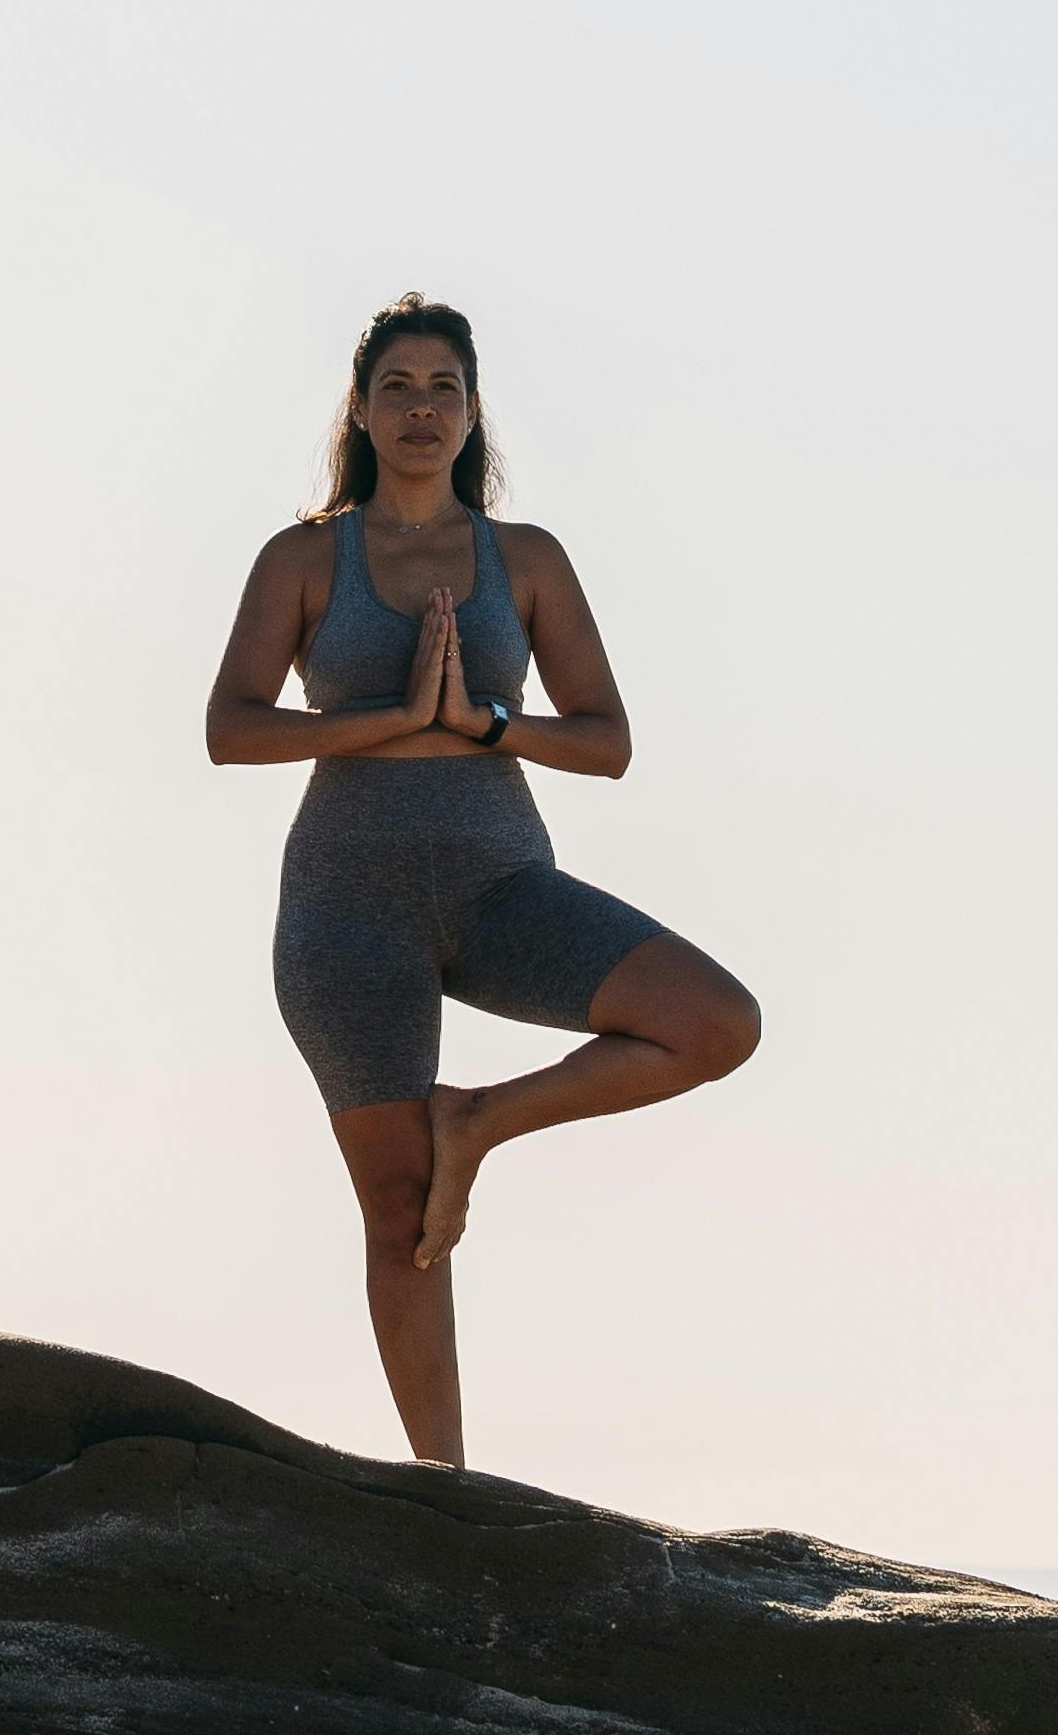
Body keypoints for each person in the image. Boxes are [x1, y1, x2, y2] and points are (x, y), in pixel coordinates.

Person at [203, 290, 757, 1468]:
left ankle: (481, 1119)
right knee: (400, 1216)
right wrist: (391, 719)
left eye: (441, 389)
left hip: (501, 885)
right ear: (358, 408)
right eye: (396, 388)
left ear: (470, 412)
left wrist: (487, 725)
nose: (419, 410)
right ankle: (444, 1491)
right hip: (345, 908)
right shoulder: (305, 558)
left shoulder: (528, 561)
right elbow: (229, 729)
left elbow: (604, 740)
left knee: (716, 1022)